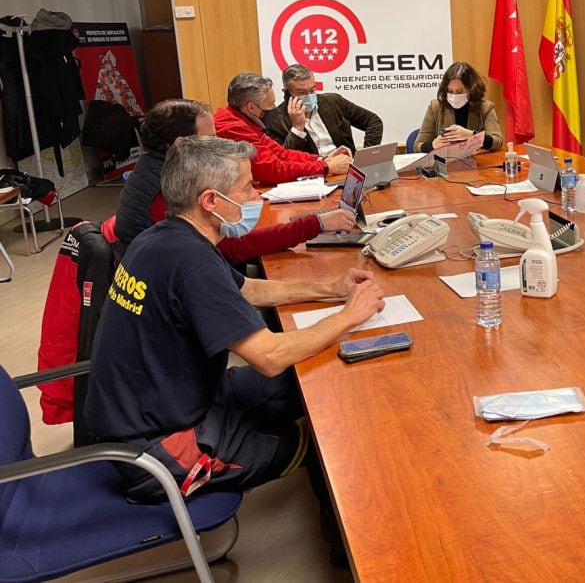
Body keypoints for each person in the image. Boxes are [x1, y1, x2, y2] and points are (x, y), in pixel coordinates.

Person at [84, 137, 385, 564]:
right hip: (159, 449)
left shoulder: (165, 239)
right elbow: (269, 355)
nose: (255, 195)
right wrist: (349, 316)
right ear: (211, 200)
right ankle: (352, 553)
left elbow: (243, 289)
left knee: (306, 386)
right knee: (321, 435)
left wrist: (329, 290)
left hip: (167, 400)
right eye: (245, 188)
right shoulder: (190, 260)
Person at [108, 98, 355, 261]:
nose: (217, 144)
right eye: (210, 138)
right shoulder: (168, 191)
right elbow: (230, 249)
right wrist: (313, 225)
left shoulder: (160, 167)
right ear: (182, 145)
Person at [214, 72, 352, 184]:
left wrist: (322, 160)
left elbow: (281, 154)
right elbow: (273, 170)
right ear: (251, 107)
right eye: (271, 104)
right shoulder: (231, 127)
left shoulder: (245, 121)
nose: (275, 108)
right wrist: (327, 167)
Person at [267, 63, 384, 155]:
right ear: (287, 93)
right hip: (312, 175)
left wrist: (366, 156)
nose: (309, 96)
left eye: (312, 90)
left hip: (347, 168)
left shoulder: (333, 102)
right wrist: (297, 127)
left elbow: (373, 121)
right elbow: (284, 159)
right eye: (302, 92)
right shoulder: (275, 122)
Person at [415, 61, 503, 153]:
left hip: (476, 163)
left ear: (471, 89)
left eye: (460, 91)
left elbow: (497, 142)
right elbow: (418, 145)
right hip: (445, 164)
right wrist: (433, 145)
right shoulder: (435, 107)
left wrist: (473, 136)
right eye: (450, 91)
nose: (454, 95)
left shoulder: (485, 107)